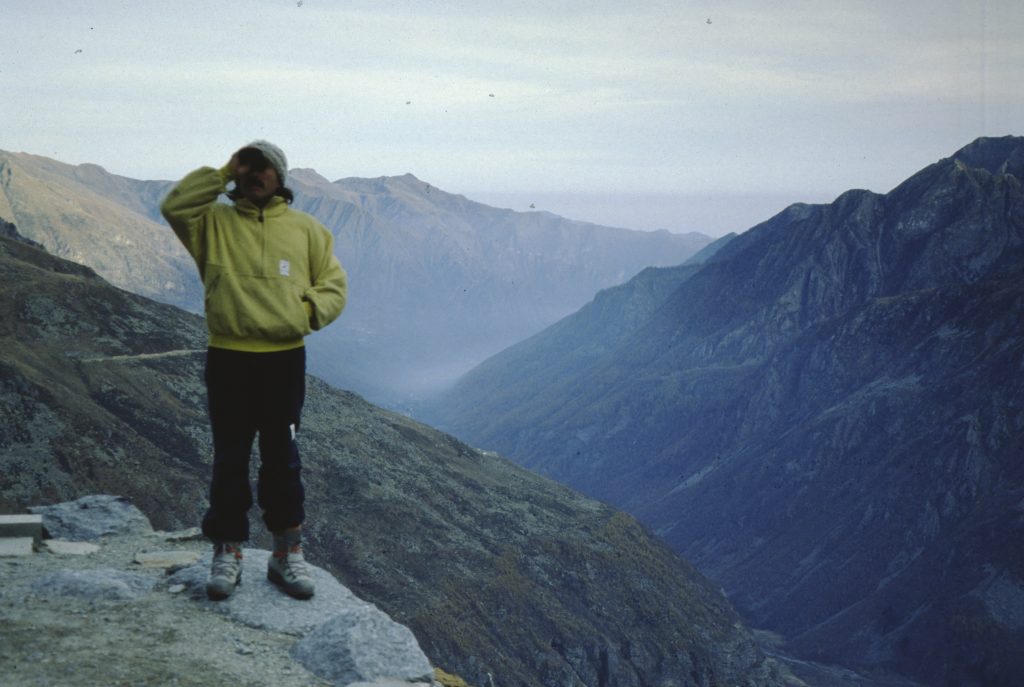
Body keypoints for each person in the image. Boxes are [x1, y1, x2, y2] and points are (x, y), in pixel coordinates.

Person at [161, 141, 347, 600]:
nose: (254, 175)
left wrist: (304, 313)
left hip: (284, 359)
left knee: (282, 456)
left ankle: (286, 554)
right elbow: (174, 204)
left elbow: (334, 287)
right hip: (229, 356)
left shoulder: (308, 231)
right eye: (247, 167)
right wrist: (225, 169)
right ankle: (227, 552)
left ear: (280, 178)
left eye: (263, 168)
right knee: (230, 456)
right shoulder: (212, 224)